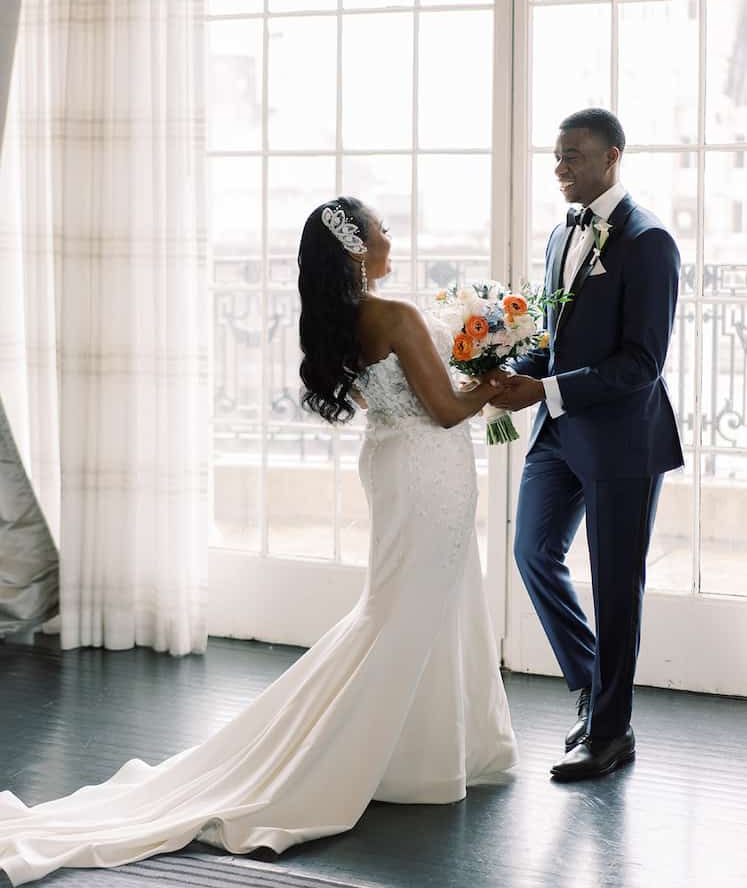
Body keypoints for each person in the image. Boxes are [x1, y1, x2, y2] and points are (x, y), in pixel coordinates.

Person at [0, 195, 516, 886]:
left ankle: (425, 752)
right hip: (428, 472)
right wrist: (495, 384)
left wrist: (469, 374)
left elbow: (401, 401)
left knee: (407, 606)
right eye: (381, 229)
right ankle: (376, 757)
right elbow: (446, 411)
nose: (391, 237)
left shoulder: (343, 319)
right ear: (358, 247)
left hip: (394, 465)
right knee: (410, 610)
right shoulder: (397, 316)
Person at [490, 108, 683, 781]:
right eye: (555, 156)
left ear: (613, 157)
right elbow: (554, 336)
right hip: (556, 434)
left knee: (615, 586)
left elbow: (641, 363)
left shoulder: (649, 240)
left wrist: (545, 391)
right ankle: (592, 682)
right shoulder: (557, 234)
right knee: (531, 551)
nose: (559, 168)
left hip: (623, 442)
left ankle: (608, 732)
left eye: (572, 156)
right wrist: (512, 367)